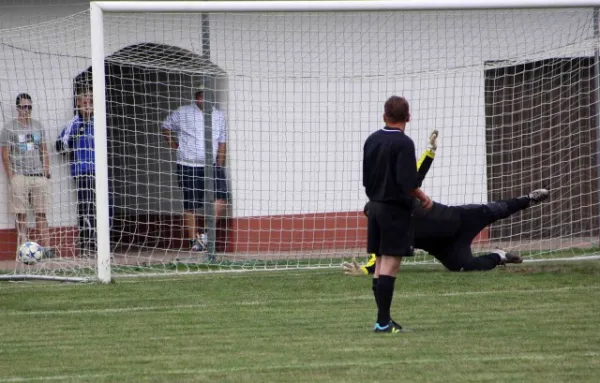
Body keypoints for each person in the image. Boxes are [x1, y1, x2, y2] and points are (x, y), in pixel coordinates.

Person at [345, 130, 550, 275]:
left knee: (497, 210)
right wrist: (362, 270)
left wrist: (430, 151)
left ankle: (529, 199)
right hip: (446, 249)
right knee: (464, 267)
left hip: (459, 219)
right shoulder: (386, 232)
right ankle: (500, 256)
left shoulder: (401, 197)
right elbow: (377, 259)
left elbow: (416, 175)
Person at [363, 95, 433, 334]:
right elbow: (408, 183)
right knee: (390, 266)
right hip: (394, 209)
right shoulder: (404, 143)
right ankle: (383, 323)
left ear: (384, 116)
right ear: (408, 117)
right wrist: (423, 197)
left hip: (374, 207)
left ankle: (384, 320)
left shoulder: (371, 140)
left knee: (381, 263)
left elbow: (366, 179)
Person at [162, 85, 228, 252]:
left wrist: (220, 162)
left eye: (205, 96)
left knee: (221, 199)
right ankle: (193, 242)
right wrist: (174, 145)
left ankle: (205, 234)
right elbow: (166, 126)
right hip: (187, 164)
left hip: (211, 165)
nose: (202, 99)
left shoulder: (219, 115)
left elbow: (222, 141)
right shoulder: (183, 112)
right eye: (199, 96)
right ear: (196, 97)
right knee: (191, 203)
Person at [1, 93, 55, 257]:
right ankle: (23, 249)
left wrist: (46, 170)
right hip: (20, 175)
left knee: (41, 212)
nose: (27, 110)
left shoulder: (38, 126)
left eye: (29, 106)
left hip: (38, 175)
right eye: (24, 106)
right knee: (21, 213)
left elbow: (44, 150)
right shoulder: (9, 128)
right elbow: (5, 154)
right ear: (18, 108)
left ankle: (47, 249)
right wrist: (12, 176)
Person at [56, 90, 97, 254]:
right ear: (78, 104)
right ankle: (87, 242)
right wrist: (73, 139)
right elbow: (60, 146)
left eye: (91, 103)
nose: (88, 106)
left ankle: (101, 241)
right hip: (82, 171)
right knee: (86, 206)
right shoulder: (73, 123)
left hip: (99, 170)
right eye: (85, 103)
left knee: (101, 206)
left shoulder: (99, 122)